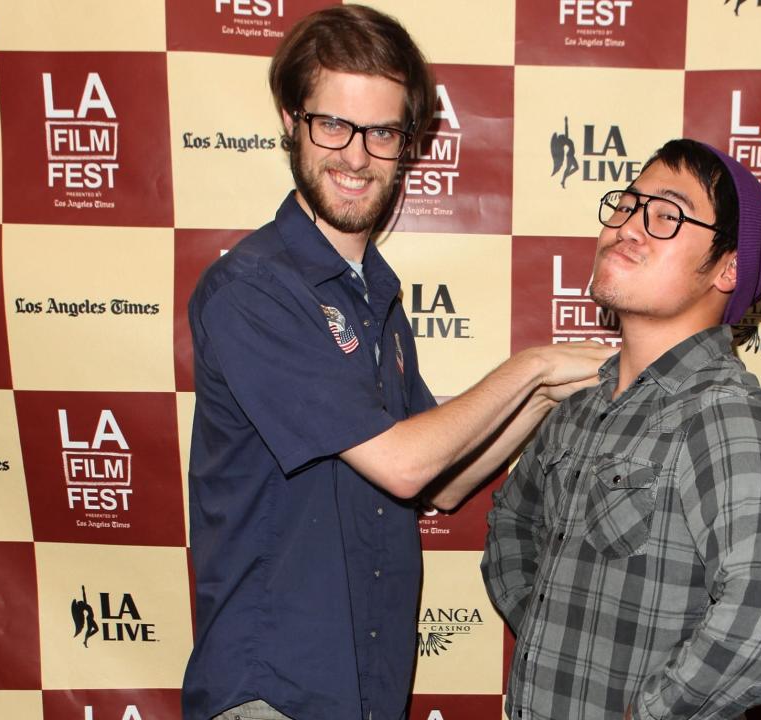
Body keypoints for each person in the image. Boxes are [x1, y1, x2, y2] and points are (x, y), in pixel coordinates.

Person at [181, 5, 611, 720]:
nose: (356, 156)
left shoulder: (374, 294)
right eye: (333, 125)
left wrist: (547, 398)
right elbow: (404, 464)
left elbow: (441, 483)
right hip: (273, 692)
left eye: (381, 131)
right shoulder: (252, 290)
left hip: (364, 689)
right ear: (291, 120)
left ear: (407, 143)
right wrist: (533, 366)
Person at [482, 139, 761, 720]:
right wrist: (551, 623)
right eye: (627, 205)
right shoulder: (579, 407)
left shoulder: (720, 409)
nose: (628, 227)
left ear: (728, 268)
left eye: (666, 214)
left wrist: (653, 713)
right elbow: (510, 527)